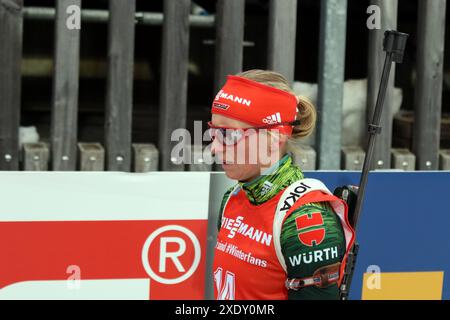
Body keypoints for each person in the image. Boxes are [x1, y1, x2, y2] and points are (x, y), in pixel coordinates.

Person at [210, 69, 355, 300]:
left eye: (228, 134)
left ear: (274, 138)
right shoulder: (232, 197)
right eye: (213, 131)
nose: (214, 148)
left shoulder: (304, 219)